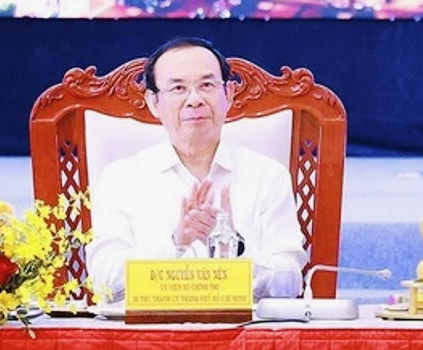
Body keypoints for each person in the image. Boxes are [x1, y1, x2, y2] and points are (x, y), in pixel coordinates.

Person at [85, 37, 307, 301]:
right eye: (178, 88)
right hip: (152, 326)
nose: (194, 99)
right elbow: (103, 281)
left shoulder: (267, 176)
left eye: (207, 85)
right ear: (153, 102)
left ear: (229, 94)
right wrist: (175, 244)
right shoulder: (121, 178)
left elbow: (291, 283)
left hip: (242, 325)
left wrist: (233, 248)